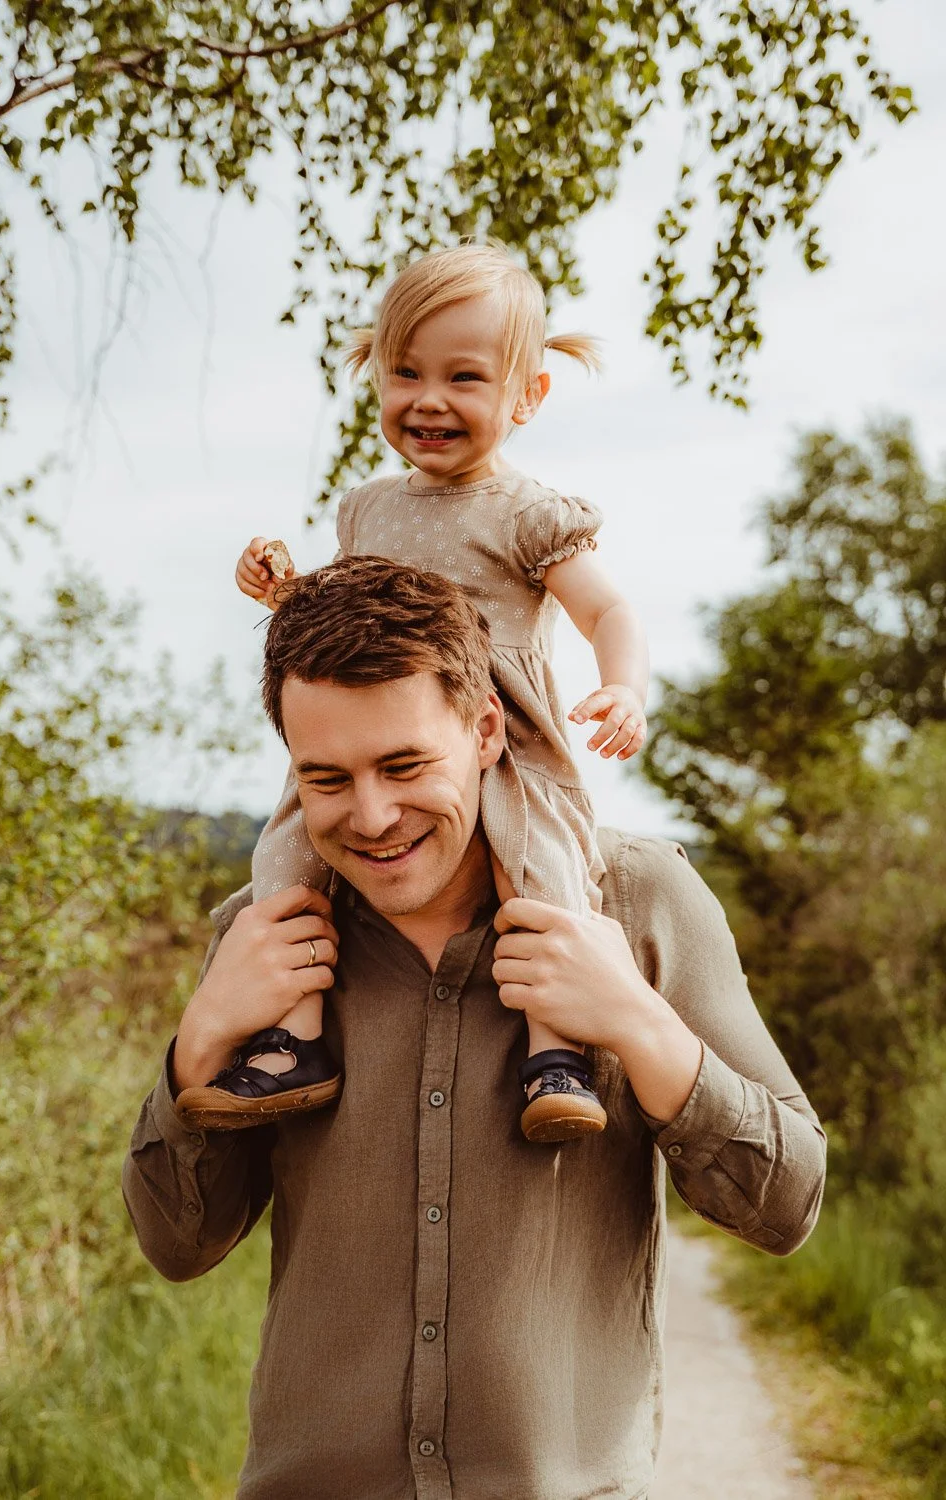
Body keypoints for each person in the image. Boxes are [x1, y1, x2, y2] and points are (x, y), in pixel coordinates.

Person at [122, 556, 826, 1500]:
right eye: (325, 778)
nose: (371, 816)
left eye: (405, 765)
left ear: (488, 728)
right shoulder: (264, 935)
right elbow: (179, 1246)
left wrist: (636, 1024)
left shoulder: (642, 901)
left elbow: (787, 1207)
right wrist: (197, 1045)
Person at [221, 241, 650, 1142]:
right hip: (387, 744)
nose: (428, 400)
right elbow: (355, 629)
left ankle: (555, 1054)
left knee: (542, 870)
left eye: (464, 378)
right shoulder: (368, 510)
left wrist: (624, 687)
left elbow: (608, 609)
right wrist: (288, 586)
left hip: (506, 737)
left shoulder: (527, 514)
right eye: (404, 371)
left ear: (526, 396)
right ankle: (292, 1042)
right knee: (282, 862)